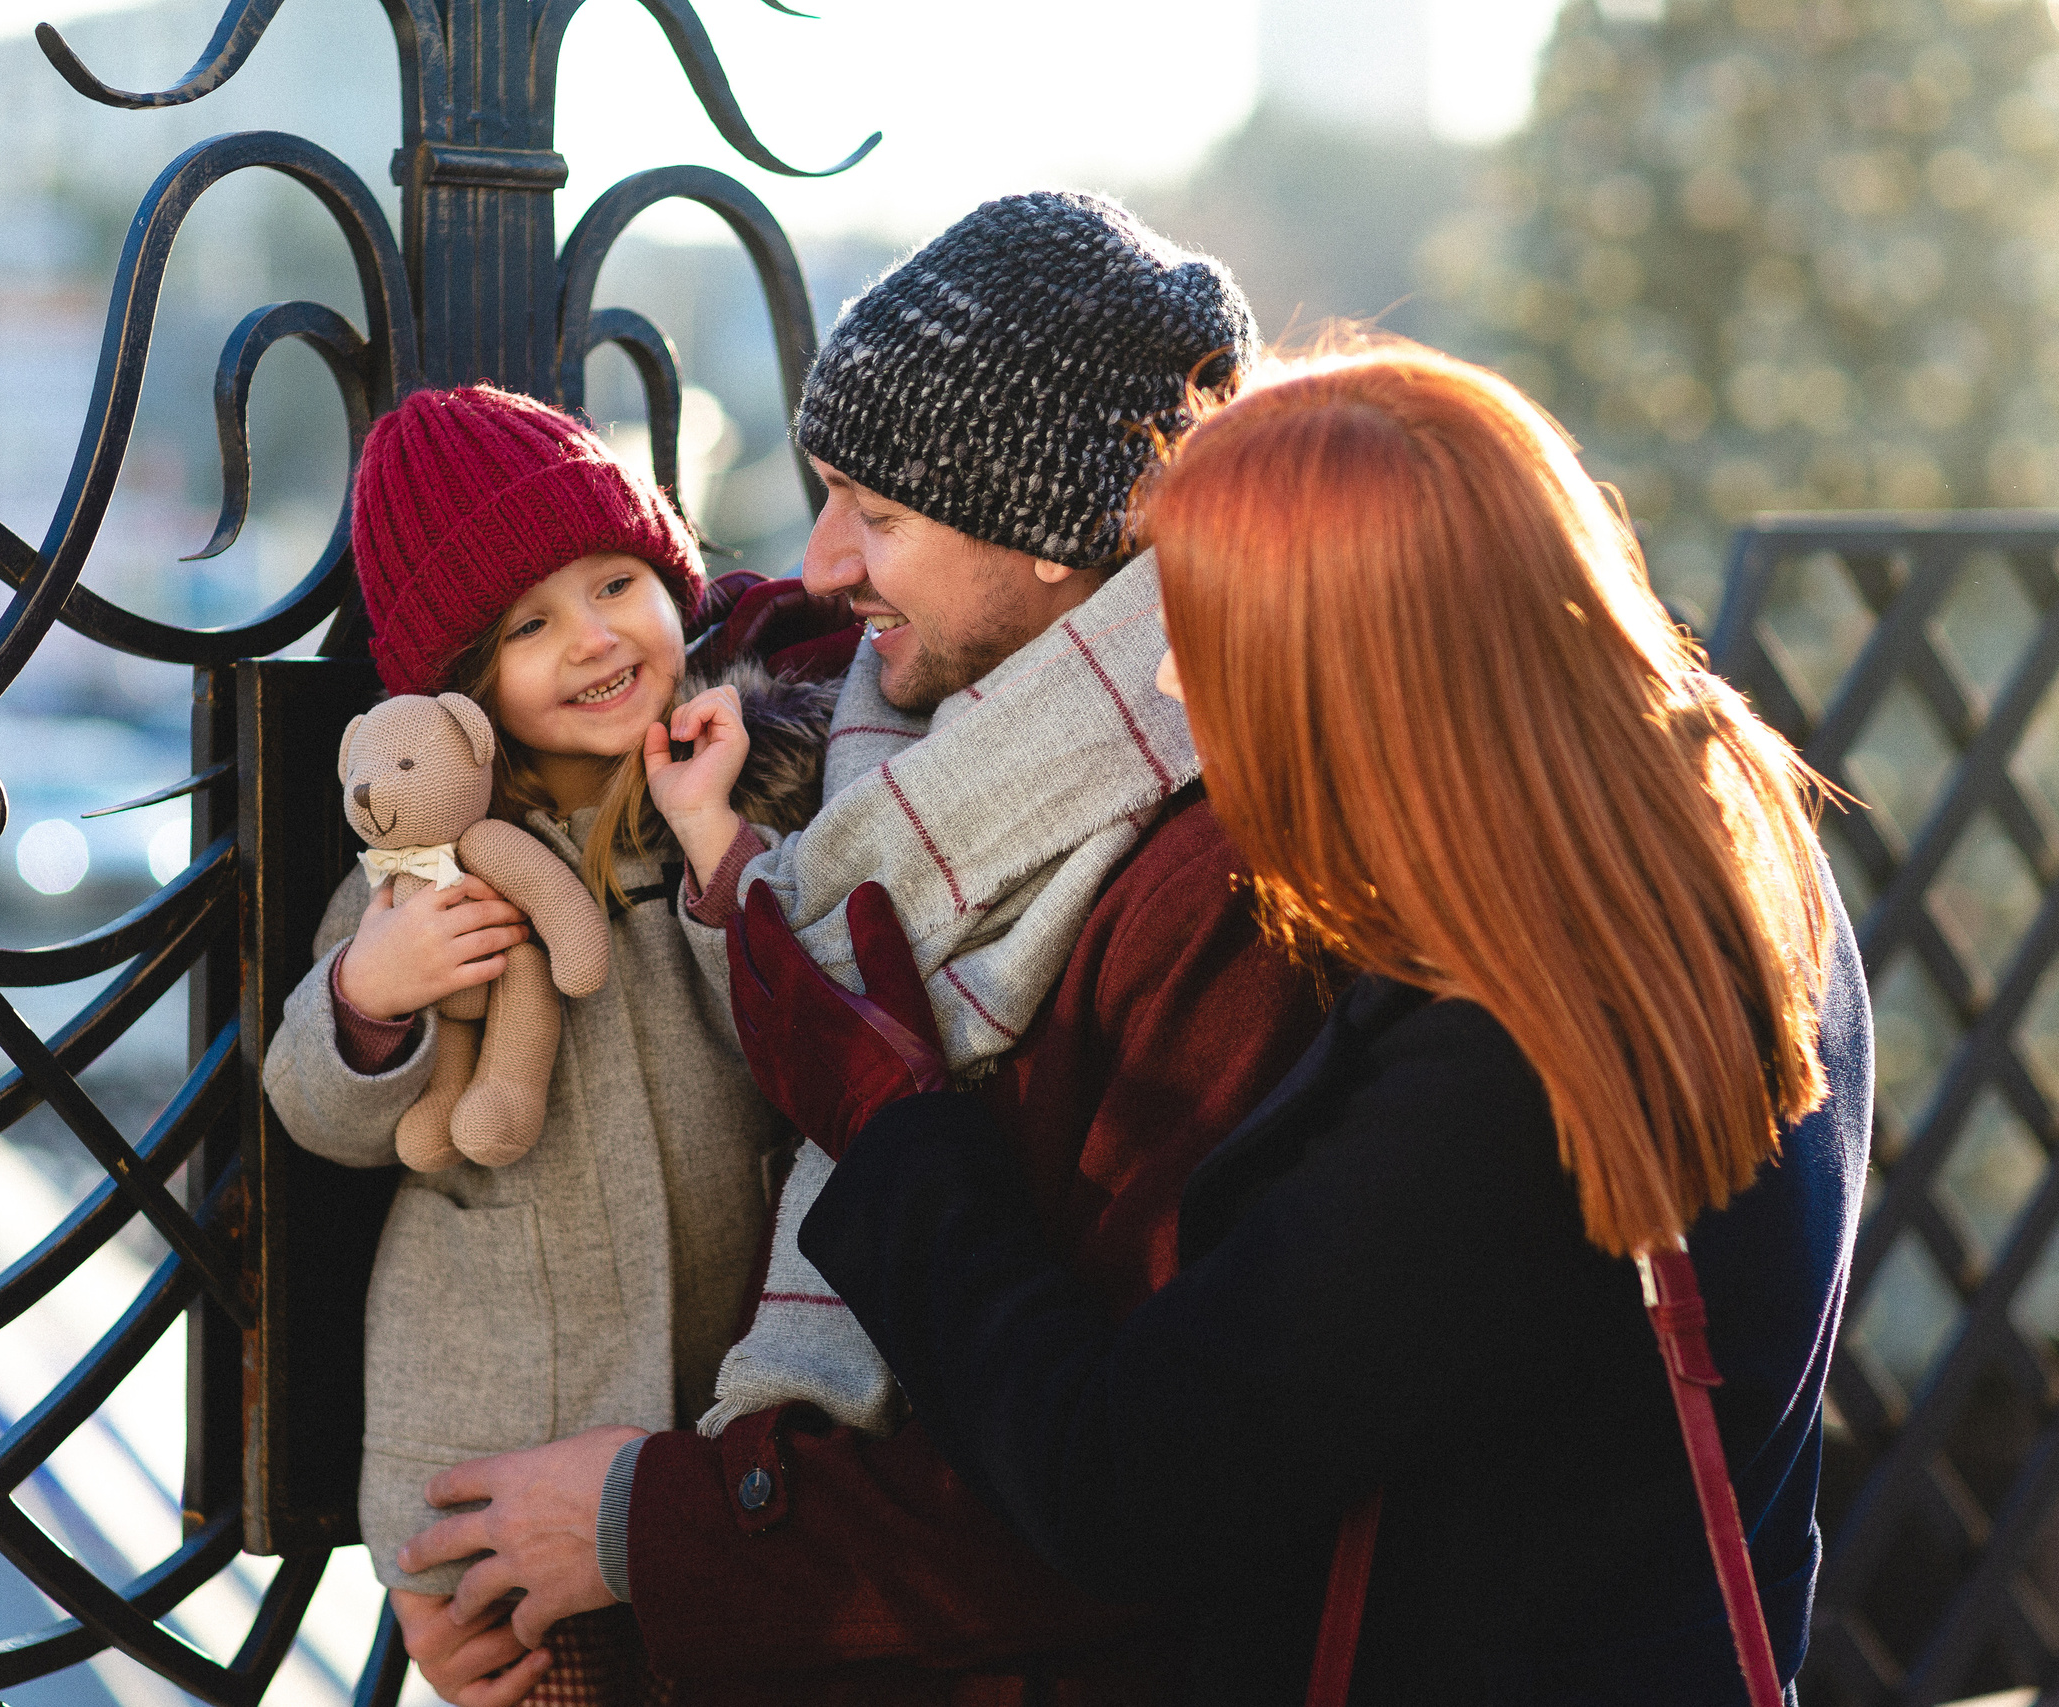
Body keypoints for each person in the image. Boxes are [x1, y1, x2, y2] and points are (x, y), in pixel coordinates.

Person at [733, 338, 1874, 1703]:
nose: (1169, 686)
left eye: (1207, 635)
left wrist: (893, 1129)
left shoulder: (1512, 1059)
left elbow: (1127, 1483)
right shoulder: (1704, 842)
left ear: (1361, 662)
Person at [396, 192, 1331, 1706]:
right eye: (827, 494)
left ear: (1061, 537)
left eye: (879, 513)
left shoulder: (1218, 881)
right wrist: (526, 1561)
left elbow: (1120, 1490)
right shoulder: (905, 739)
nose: (825, 559)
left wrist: (641, 1532)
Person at [259, 383, 844, 1704]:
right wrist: (370, 992)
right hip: (493, 1461)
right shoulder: (421, 874)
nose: (592, 638)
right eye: (529, 625)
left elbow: (796, 1029)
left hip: (708, 1442)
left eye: (615, 581)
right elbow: (316, 1111)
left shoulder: (742, 778)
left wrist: (710, 845)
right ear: (465, 693)